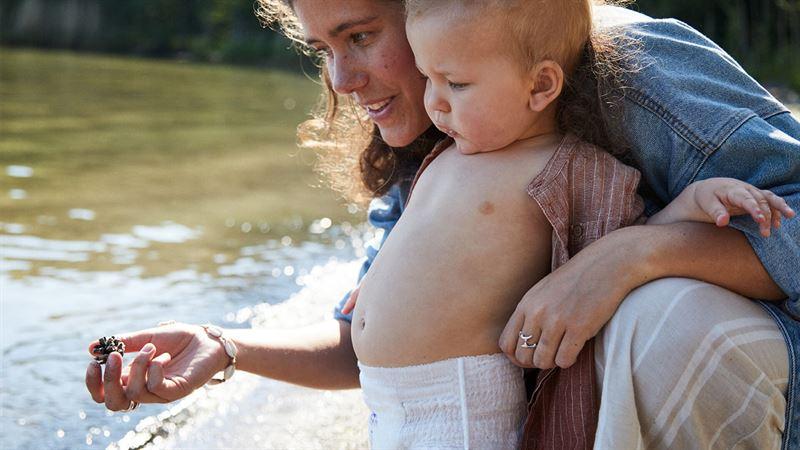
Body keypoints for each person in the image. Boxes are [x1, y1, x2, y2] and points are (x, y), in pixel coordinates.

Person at [85, 1, 800, 448]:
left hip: (756, 376)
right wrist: (226, 347)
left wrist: (633, 257)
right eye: (322, 49)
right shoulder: (447, 127)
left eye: (360, 35)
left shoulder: (632, 67)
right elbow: (382, 334)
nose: (339, 79)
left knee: (664, 314)